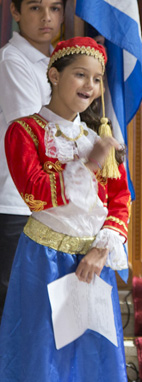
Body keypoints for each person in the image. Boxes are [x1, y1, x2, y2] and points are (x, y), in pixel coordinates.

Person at [0, 37, 140, 382]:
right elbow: (36, 190)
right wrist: (85, 164)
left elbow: (120, 200)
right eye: (80, 74)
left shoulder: (97, 140)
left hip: (90, 261)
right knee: (50, 359)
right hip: (45, 258)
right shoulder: (24, 132)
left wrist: (102, 248)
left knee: (94, 358)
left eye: (97, 79)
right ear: (54, 75)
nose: (90, 85)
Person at [0, 0, 64, 322]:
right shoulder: (14, 60)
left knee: (39, 304)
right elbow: (31, 133)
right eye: (36, 8)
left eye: (55, 8)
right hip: (17, 201)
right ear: (15, 11)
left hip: (51, 202)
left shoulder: (55, 61)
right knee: (14, 301)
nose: (46, 18)